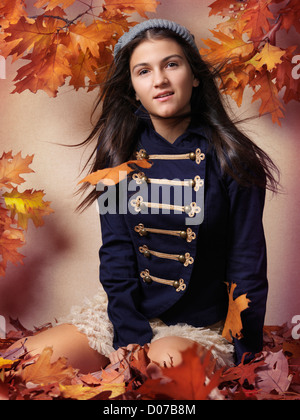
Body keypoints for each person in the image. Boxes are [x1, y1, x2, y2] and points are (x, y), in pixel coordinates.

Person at [9, 19, 279, 373]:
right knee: (22, 365)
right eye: (143, 71)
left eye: (171, 64)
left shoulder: (233, 158)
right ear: (133, 88)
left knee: (154, 373)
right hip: (129, 315)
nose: (160, 80)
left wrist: (247, 358)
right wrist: (129, 336)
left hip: (203, 326)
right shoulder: (116, 160)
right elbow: (116, 253)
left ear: (194, 76)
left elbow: (247, 264)